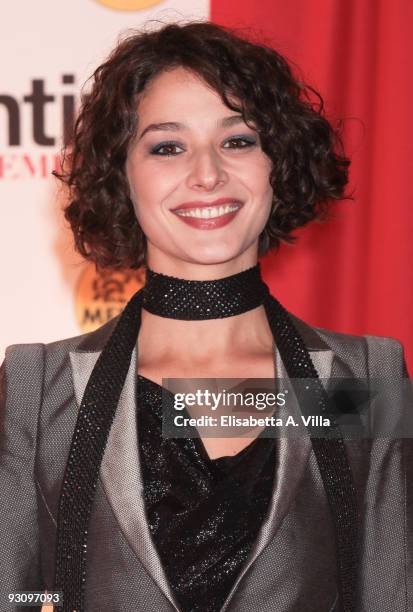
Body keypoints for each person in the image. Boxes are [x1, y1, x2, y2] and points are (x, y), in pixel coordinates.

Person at [0, 20, 411, 612]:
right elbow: (16, 594)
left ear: (278, 162)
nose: (207, 174)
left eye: (238, 140)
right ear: (123, 174)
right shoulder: (39, 389)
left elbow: (390, 594)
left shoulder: (363, 378)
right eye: (167, 146)